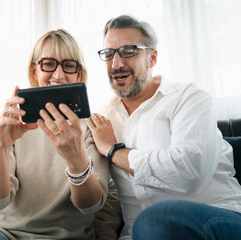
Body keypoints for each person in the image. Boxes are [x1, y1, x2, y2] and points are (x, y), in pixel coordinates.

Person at [0, 29, 121, 240]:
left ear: (78, 73)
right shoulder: (10, 123)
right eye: (48, 63)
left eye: (68, 65)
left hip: (67, 236)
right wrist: (1, 146)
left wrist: (76, 158)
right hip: (6, 234)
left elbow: (90, 206)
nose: (58, 75)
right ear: (34, 70)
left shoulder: (92, 128)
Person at [85, 15, 241, 239]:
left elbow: (190, 173)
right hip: (139, 233)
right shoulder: (102, 121)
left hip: (219, 218)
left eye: (129, 51)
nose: (116, 64)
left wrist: (114, 151)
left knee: (157, 217)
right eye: (109, 54)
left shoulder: (190, 98)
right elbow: (107, 203)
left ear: (152, 58)